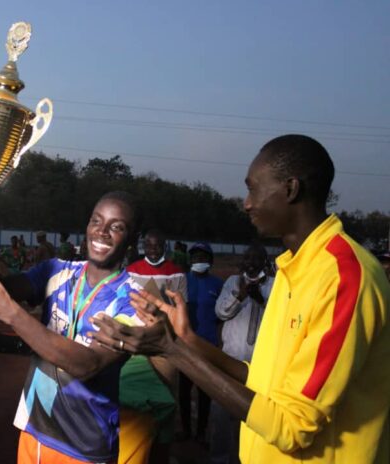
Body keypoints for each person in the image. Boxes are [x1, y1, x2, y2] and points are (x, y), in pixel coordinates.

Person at [92, 134, 390, 464]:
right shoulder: (293, 270)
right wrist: (185, 339)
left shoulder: (342, 276)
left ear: (291, 189)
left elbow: (292, 425)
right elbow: (260, 380)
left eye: (253, 189)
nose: (247, 203)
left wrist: (171, 350)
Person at [0, 182, 142, 464]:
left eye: (116, 227)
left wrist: (11, 313)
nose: (101, 231)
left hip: (84, 444)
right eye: (96, 221)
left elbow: (89, 365)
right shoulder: (56, 270)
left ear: (132, 239)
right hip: (34, 430)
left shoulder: (134, 300)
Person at [120, 229, 186, 464]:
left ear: (164, 245)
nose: (153, 250)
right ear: (143, 246)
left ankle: (161, 448)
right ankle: (140, 446)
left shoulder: (177, 272)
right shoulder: (131, 270)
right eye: (149, 246)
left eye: (157, 246)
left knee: (167, 396)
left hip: (167, 342)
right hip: (138, 341)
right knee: (137, 395)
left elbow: (182, 309)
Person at [210, 242, 274, 464]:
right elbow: (220, 312)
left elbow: (278, 319)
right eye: (248, 258)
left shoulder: (274, 285)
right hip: (231, 358)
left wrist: (260, 300)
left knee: (253, 417)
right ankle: (219, 459)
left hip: (259, 365)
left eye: (256, 258)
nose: (251, 263)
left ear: (264, 262)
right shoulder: (232, 282)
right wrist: (240, 295)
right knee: (221, 413)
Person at [180, 241, 223, 441]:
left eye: (203, 257)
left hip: (208, 345)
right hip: (185, 345)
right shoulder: (182, 280)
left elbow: (222, 314)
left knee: (205, 391)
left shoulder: (218, 284)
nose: (199, 260)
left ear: (210, 261)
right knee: (184, 390)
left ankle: (201, 433)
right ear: (190, 260)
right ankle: (186, 431)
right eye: (196, 257)